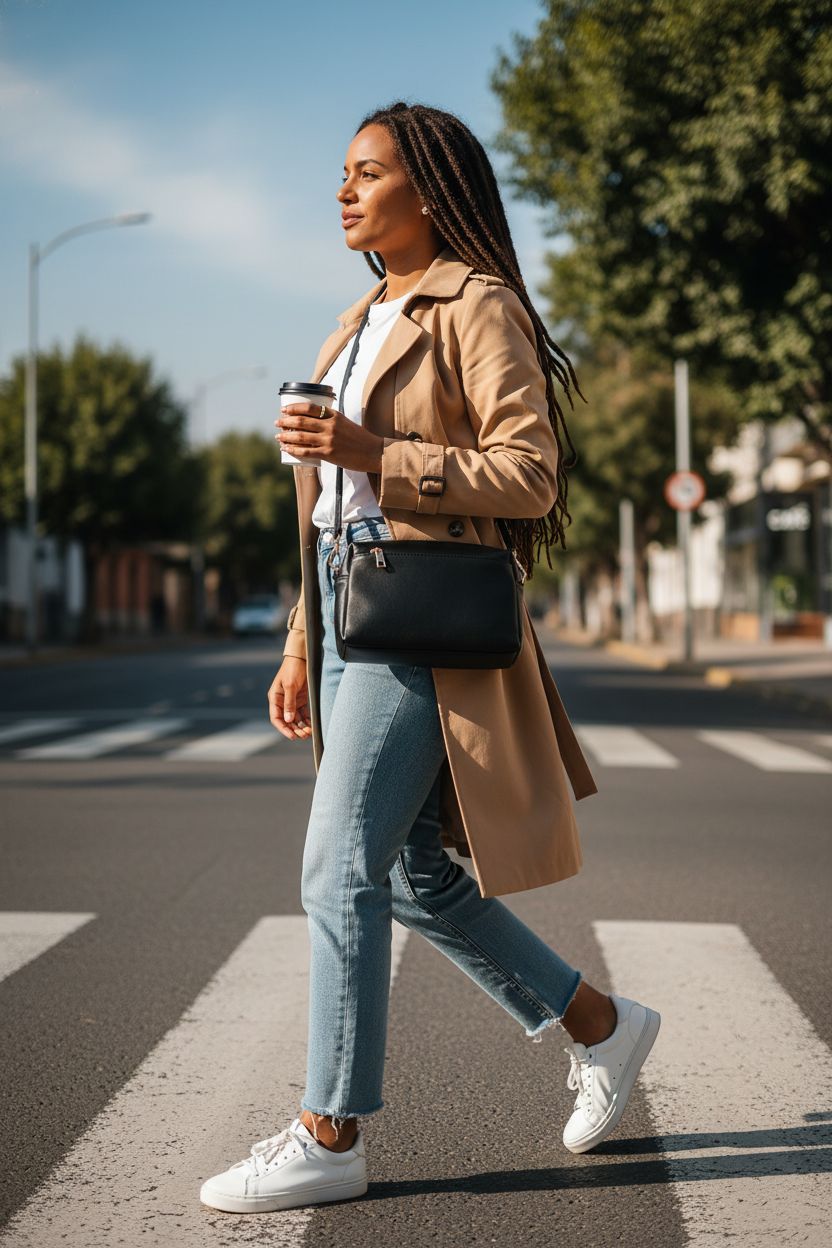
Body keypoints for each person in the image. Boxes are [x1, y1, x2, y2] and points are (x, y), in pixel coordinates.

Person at [200, 101, 660, 1216]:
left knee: (336, 869)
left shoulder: (475, 304)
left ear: (430, 189)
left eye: (368, 172)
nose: (345, 191)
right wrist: (301, 641)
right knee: (406, 874)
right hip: (351, 615)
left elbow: (528, 473)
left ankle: (330, 1129)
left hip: (422, 620)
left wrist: (371, 448)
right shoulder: (352, 325)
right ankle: (599, 1026)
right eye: (343, 174)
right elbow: (326, 513)